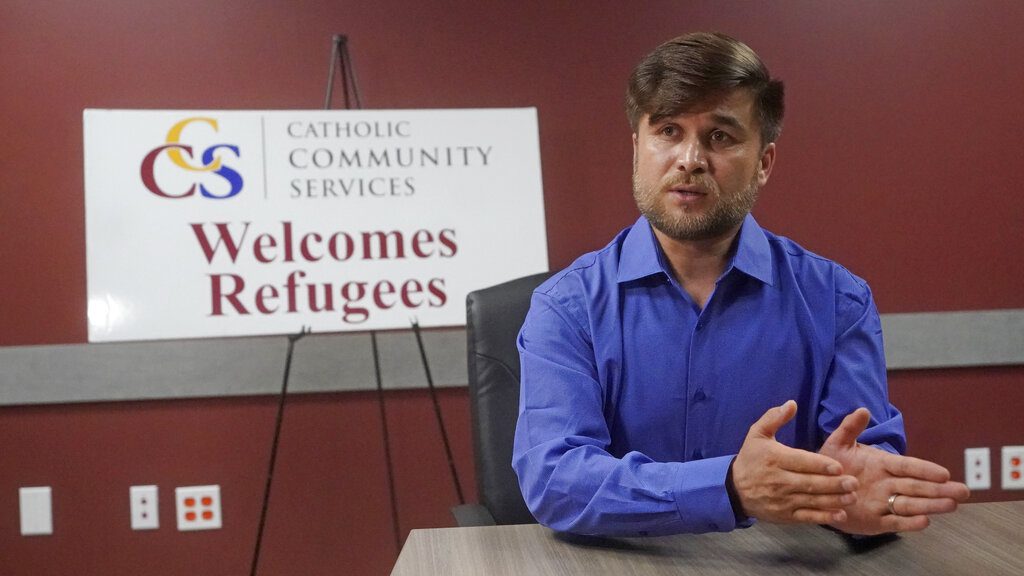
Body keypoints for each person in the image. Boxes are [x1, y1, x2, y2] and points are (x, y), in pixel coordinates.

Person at [511, 32, 969, 538]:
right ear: (637, 148)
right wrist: (727, 487)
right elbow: (556, 480)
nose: (690, 158)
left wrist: (859, 500)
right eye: (668, 130)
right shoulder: (565, 308)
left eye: (720, 137)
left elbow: (862, 462)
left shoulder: (838, 302)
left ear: (764, 163)